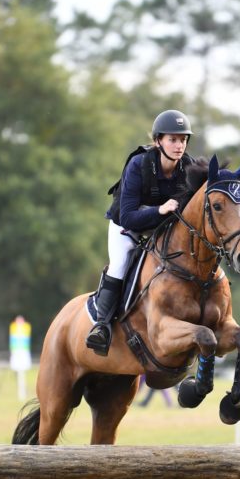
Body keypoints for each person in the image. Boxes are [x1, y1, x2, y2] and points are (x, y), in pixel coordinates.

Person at [85, 109, 195, 356]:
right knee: (121, 262)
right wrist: (161, 209)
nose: (179, 146)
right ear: (158, 141)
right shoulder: (139, 164)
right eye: (173, 139)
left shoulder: (187, 166)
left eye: (183, 140)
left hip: (161, 232)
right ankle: (101, 326)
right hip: (127, 226)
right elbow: (128, 217)